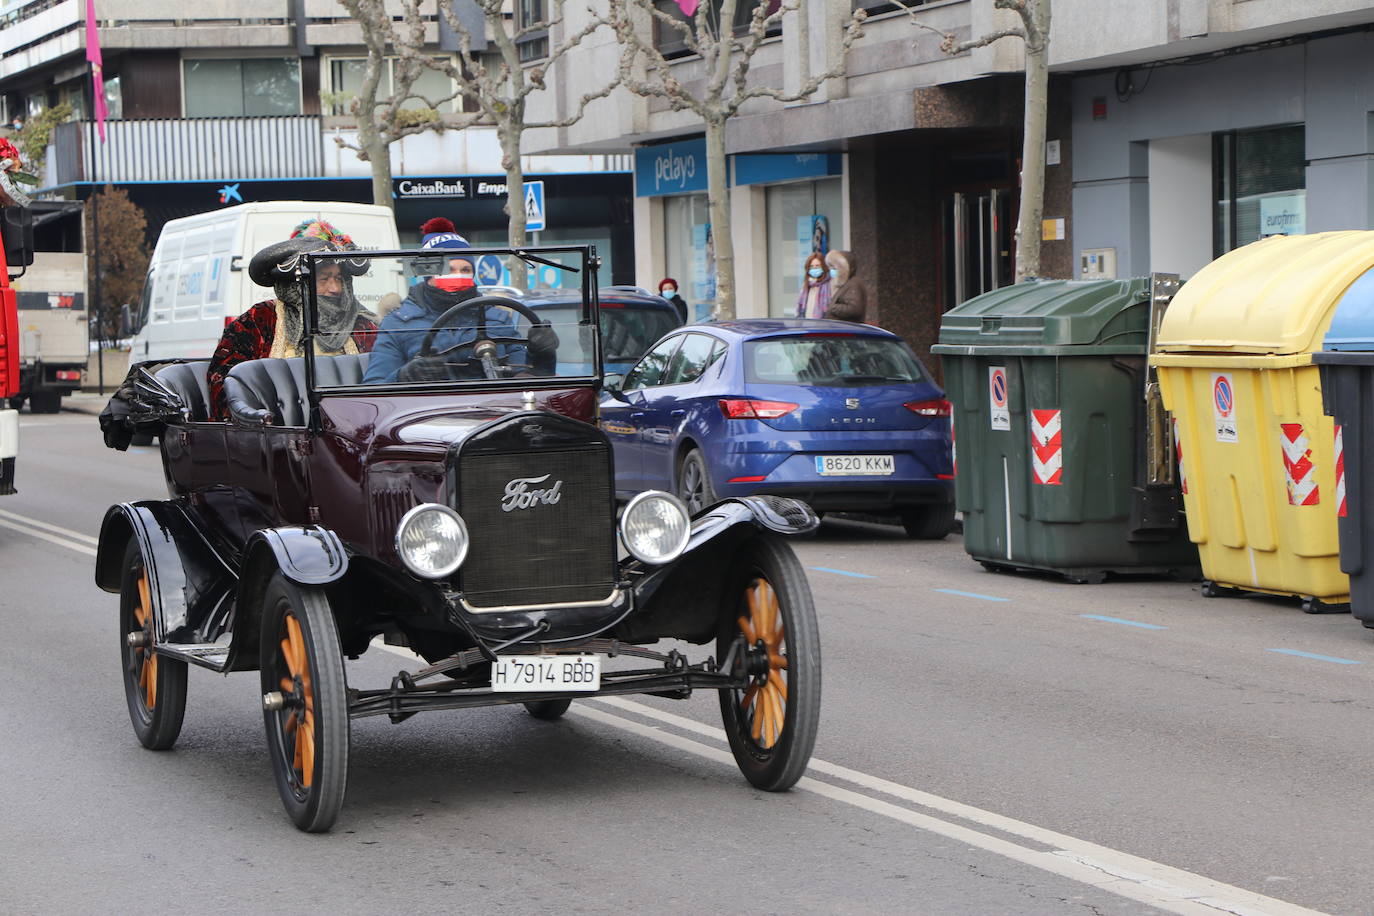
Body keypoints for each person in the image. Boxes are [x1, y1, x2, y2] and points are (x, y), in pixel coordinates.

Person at [207, 219, 376, 420]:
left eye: (339, 278)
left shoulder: (362, 324)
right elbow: (225, 382)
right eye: (324, 279)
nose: (335, 289)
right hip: (281, 432)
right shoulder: (260, 320)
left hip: (351, 424)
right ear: (296, 285)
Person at [362, 225, 556, 383]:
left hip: (493, 414)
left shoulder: (497, 319)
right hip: (426, 419)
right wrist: (405, 376)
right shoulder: (397, 324)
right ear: (430, 274)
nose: (458, 276)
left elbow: (526, 380)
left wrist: (541, 354)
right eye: (450, 269)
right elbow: (373, 387)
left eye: (465, 269)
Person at [824, 250, 873, 325]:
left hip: (847, 330)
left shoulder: (854, 284)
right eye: (830, 267)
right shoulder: (843, 284)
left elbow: (854, 309)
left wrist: (832, 307)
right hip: (841, 329)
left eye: (834, 268)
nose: (831, 271)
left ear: (842, 269)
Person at [795, 251, 832, 319]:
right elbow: (800, 306)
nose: (814, 268)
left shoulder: (829, 284)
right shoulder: (806, 285)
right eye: (812, 266)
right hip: (807, 324)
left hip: (824, 325)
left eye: (817, 266)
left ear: (823, 267)